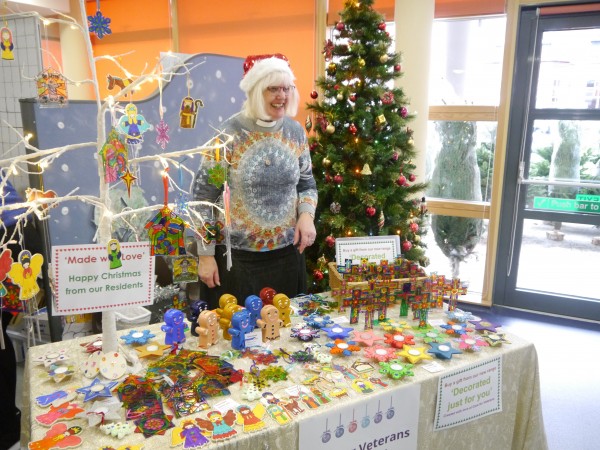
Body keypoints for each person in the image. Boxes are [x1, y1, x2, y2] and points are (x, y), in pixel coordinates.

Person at [193, 53, 317, 308]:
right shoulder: (227, 136)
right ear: (255, 90)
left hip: (287, 255)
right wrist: (205, 255)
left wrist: (306, 214)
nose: (281, 96)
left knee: (284, 334)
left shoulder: (295, 133)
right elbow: (204, 198)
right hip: (237, 262)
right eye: (273, 89)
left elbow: (306, 184)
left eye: (286, 88)